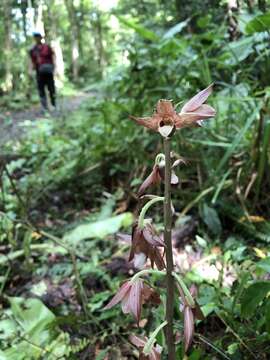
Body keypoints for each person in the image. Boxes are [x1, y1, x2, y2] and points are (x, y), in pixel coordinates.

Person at [29, 32, 56, 111]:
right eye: (35, 37)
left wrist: (55, 67)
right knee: (41, 89)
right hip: (39, 72)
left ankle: (53, 104)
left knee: (51, 88)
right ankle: (44, 107)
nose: (37, 38)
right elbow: (31, 61)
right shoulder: (33, 49)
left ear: (41, 38)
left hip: (49, 71)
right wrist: (30, 70)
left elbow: (53, 57)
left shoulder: (47, 47)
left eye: (38, 37)